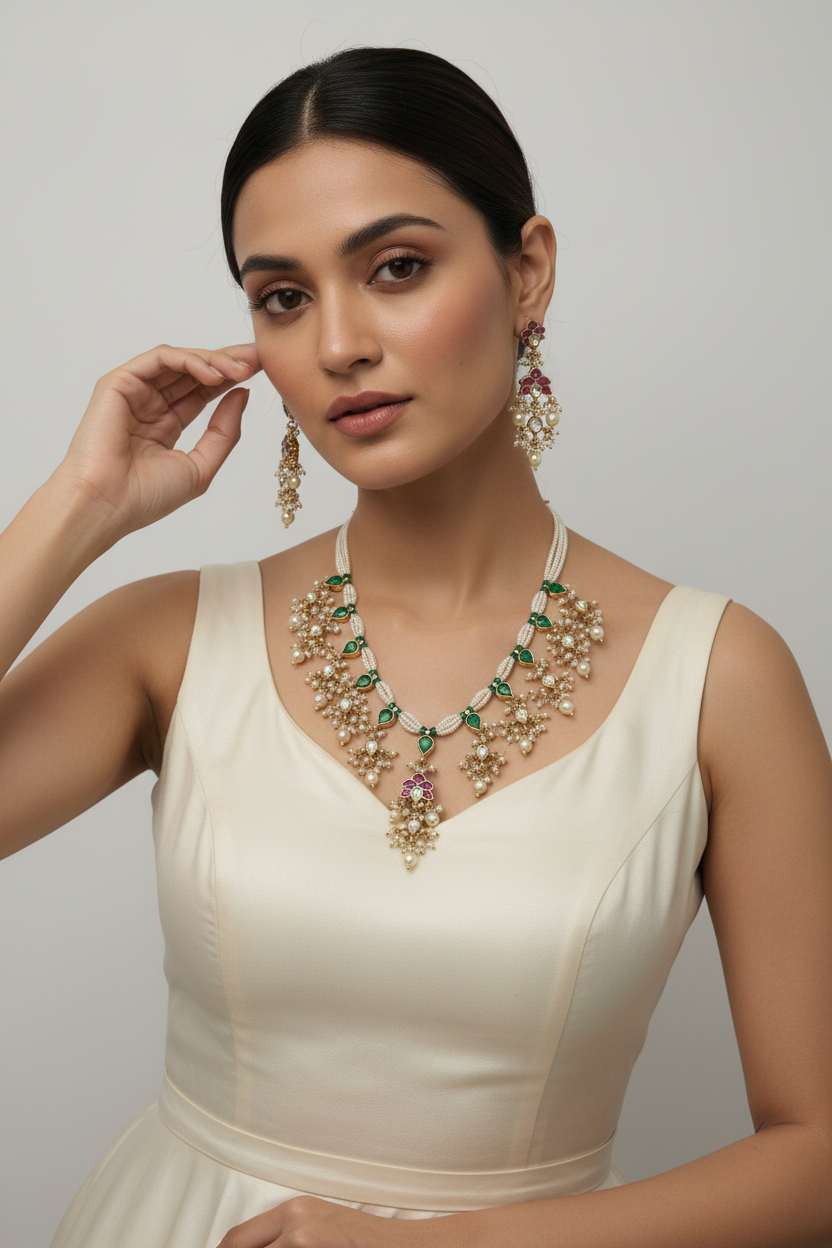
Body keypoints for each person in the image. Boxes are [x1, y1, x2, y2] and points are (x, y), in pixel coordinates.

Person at [1, 45, 830, 1248]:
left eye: (396, 268)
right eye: (282, 296)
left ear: (526, 271)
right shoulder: (174, 638)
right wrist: (74, 508)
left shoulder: (719, 677)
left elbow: (815, 1162)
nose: (338, 343)